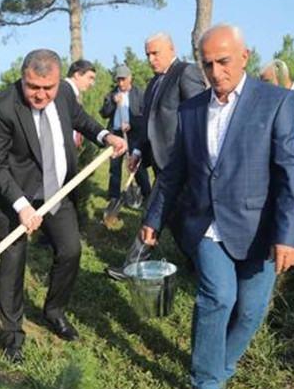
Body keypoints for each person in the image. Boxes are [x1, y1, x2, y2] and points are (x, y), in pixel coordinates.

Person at [142, 24, 294, 389]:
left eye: (224, 62)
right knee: (218, 298)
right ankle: (207, 386)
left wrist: (288, 236)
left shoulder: (275, 102)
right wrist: (154, 217)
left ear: (244, 56)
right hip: (204, 224)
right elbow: (175, 170)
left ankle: (219, 368)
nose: (216, 72)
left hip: (259, 230)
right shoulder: (192, 108)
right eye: (208, 63)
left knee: (251, 311)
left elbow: (291, 171)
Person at [0, 49, 127, 363]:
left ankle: (54, 311)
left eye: (47, 87)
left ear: (58, 80)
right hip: (12, 197)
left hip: (56, 192)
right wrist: (21, 206)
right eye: (33, 86)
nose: (41, 94)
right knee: (13, 262)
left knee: (71, 251)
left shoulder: (61, 94)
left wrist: (105, 136)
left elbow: (80, 119)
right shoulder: (1, 107)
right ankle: (12, 335)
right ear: (23, 78)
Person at [106, 32, 206, 281]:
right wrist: (138, 151)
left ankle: (132, 267)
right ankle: (200, 262)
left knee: (154, 211)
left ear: (171, 50)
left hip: (181, 163)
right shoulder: (153, 84)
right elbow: (146, 122)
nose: (150, 59)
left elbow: (199, 118)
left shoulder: (186, 73)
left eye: (155, 53)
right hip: (160, 162)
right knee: (176, 218)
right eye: (147, 54)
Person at [99, 65, 151, 202]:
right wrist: (112, 102)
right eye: (118, 80)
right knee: (115, 167)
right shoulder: (111, 95)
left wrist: (131, 124)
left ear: (130, 78)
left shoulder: (139, 94)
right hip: (115, 134)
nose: (121, 83)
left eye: (123, 79)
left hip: (133, 135)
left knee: (136, 165)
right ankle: (114, 197)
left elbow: (144, 115)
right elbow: (104, 113)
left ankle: (147, 194)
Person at [65, 59, 97, 148]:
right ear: (77, 75)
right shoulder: (63, 92)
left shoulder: (70, 93)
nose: (92, 83)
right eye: (90, 78)